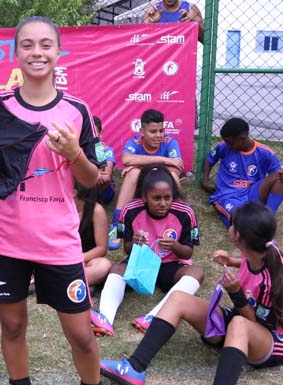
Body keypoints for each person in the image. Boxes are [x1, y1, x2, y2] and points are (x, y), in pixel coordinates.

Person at [0, 16, 137, 385]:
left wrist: (71, 152)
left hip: (58, 242)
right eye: (27, 45)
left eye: (46, 44)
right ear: (16, 54)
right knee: (12, 327)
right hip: (5, 240)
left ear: (59, 52)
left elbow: (90, 181)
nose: (37, 52)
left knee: (81, 334)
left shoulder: (76, 111)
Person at [100, 201, 283, 385]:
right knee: (178, 298)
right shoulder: (259, 248)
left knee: (238, 325)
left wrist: (236, 293)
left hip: (275, 341)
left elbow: (253, 325)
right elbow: (250, 262)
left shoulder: (272, 281)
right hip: (246, 321)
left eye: (232, 223)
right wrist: (233, 260)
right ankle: (135, 367)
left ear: (239, 236)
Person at [90, 166, 202, 337]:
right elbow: (127, 248)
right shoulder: (130, 210)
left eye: (167, 197)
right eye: (156, 198)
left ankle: (154, 318)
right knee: (117, 269)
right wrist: (135, 243)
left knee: (196, 273)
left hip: (171, 265)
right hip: (142, 263)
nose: (163, 203)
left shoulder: (185, 212)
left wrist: (175, 246)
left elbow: (188, 253)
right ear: (144, 196)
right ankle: (106, 318)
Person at [108, 108, 184, 250]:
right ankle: (117, 225)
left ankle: (180, 220)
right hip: (142, 186)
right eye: (153, 131)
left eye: (161, 131)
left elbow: (176, 169)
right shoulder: (135, 142)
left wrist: (140, 164)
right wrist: (163, 160)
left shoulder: (170, 142)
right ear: (142, 131)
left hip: (161, 185)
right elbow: (126, 159)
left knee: (172, 176)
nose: (158, 136)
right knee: (133, 174)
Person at [202, 117, 283, 227]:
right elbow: (210, 159)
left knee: (280, 175)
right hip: (229, 196)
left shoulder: (264, 152)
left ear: (243, 138)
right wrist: (205, 181)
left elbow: (281, 177)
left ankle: (268, 218)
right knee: (243, 221)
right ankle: (255, 221)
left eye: (230, 143)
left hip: (253, 192)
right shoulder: (223, 146)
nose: (228, 145)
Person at [75, 183, 112, 287]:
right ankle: (82, 283)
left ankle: (62, 283)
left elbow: (102, 248)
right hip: (59, 259)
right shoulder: (58, 207)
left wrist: (77, 259)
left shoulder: (96, 211)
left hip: (85, 259)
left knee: (103, 265)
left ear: (74, 192)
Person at [93, 116, 116, 205]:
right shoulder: (80, 148)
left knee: (103, 177)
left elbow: (106, 177)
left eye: (94, 133)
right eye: (87, 132)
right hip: (88, 183)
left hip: (105, 192)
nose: (90, 136)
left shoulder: (102, 149)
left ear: (100, 133)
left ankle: (95, 200)